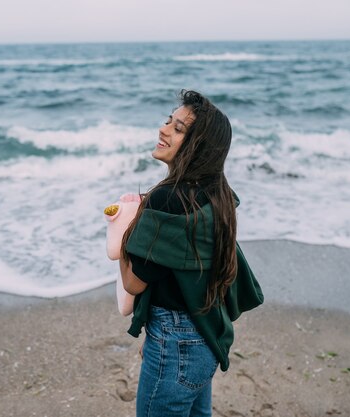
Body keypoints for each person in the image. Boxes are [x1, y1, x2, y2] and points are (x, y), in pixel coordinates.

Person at [119, 90, 263, 417]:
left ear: (199, 147)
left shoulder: (168, 201)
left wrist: (126, 230)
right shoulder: (219, 196)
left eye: (178, 128)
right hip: (203, 336)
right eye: (169, 120)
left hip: (176, 343)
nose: (164, 129)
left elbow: (133, 284)